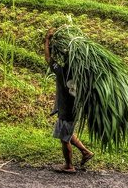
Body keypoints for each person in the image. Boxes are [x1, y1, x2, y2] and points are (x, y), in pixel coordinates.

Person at [44, 28, 94, 173]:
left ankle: (69, 166)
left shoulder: (61, 72)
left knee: (64, 139)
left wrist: (47, 41)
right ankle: (86, 152)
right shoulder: (82, 73)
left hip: (67, 111)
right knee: (68, 132)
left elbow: (48, 59)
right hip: (74, 109)